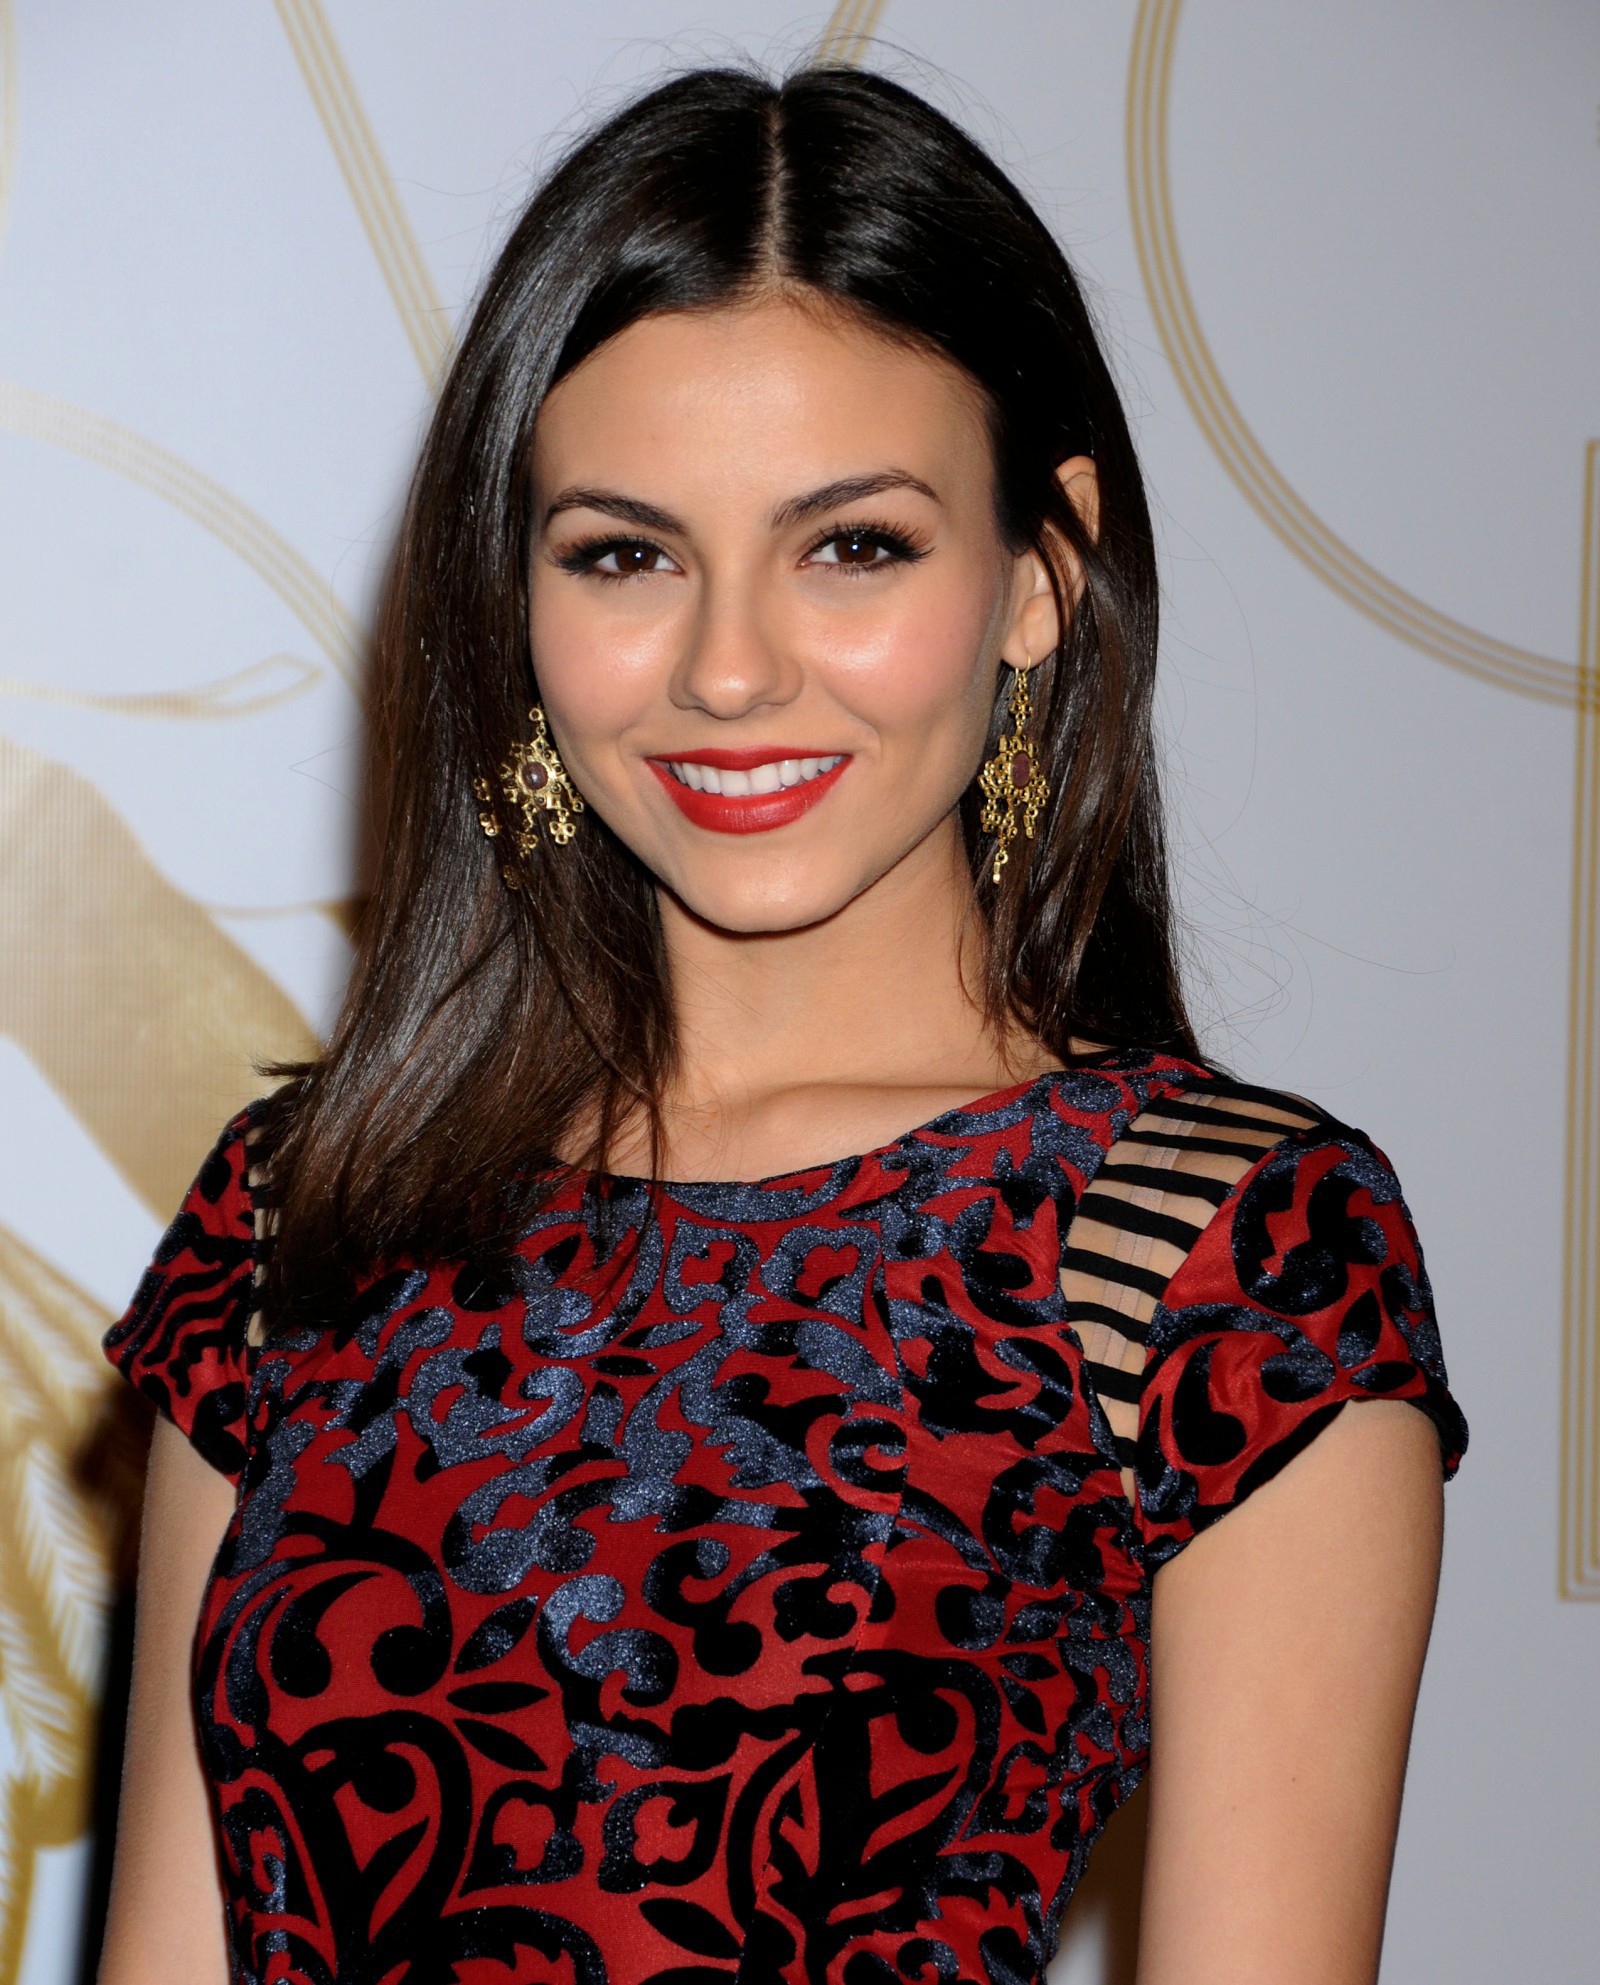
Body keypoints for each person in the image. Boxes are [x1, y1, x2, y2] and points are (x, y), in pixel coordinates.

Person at [96, 63, 1466, 1985]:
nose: (730, 668)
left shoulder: (1219, 1253)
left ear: (1042, 576)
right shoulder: (300, 1213)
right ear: (516, 597)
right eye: (625, 553)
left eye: (853, 545)